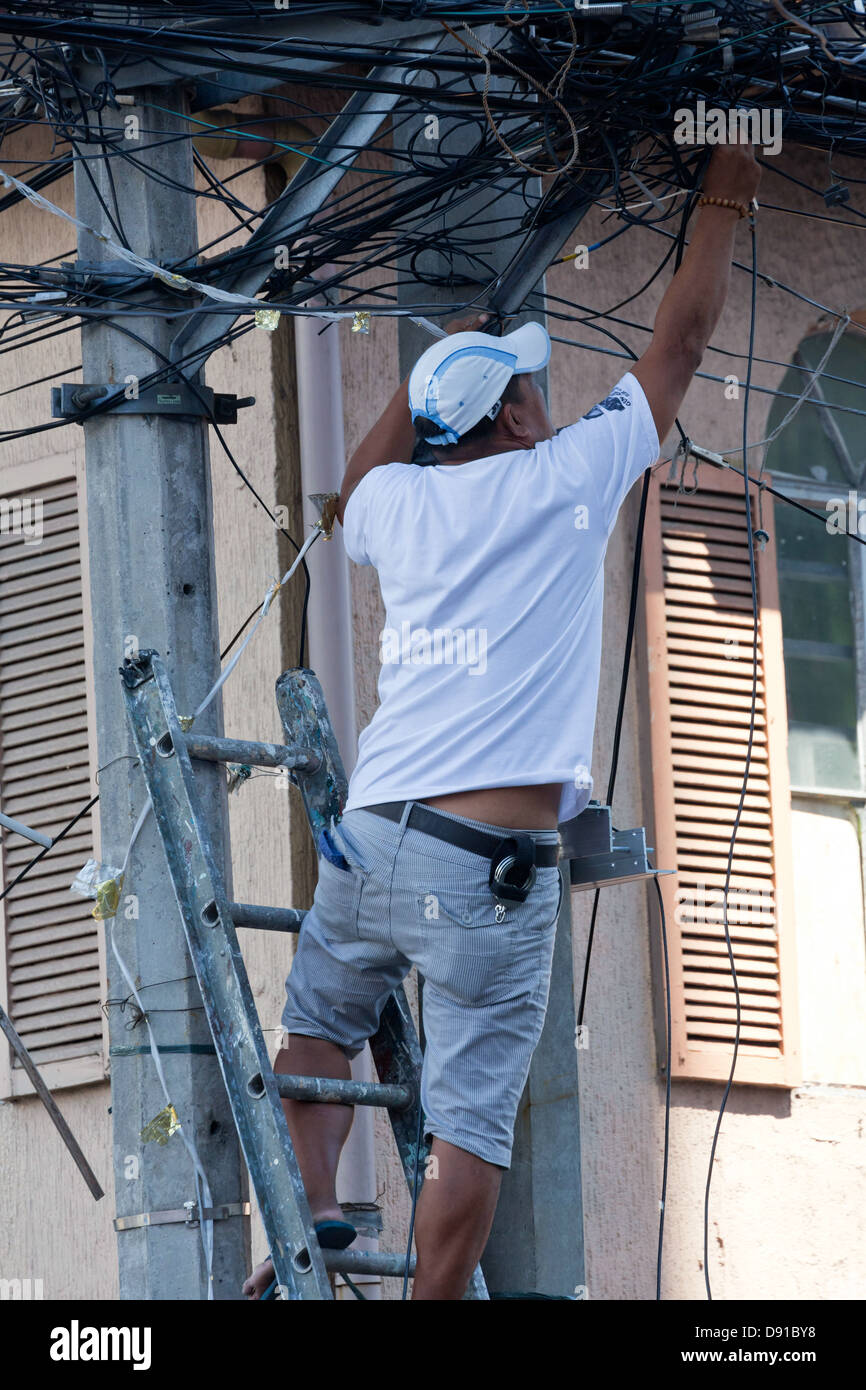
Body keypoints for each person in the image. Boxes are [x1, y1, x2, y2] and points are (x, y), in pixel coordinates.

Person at [244, 141, 761, 1301]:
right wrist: (726, 186)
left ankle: (316, 1214)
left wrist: (418, 396)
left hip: (370, 839)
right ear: (519, 416)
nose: (549, 395)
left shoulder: (401, 505)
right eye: (532, 384)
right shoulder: (565, 480)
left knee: (317, 1029)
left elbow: (348, 499)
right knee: (469, 1120)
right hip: (483, 873)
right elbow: (675, 348)